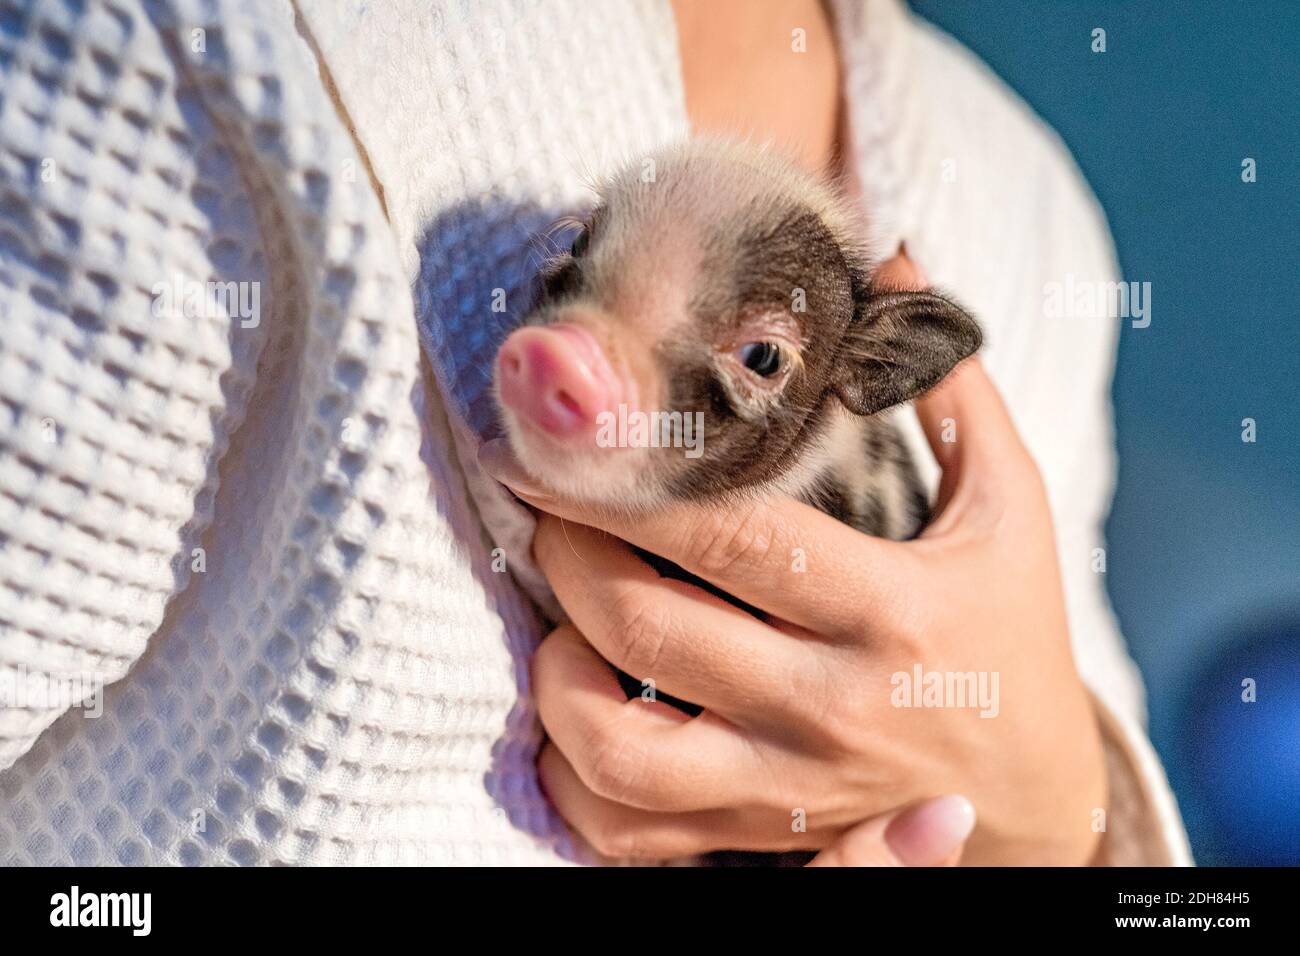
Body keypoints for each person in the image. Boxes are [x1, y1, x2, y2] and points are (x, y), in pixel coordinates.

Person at [0, 0, 1190, 866]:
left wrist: (1051, 798)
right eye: (573, 265)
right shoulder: (205, 41)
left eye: (759, 355)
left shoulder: (1027, 209)